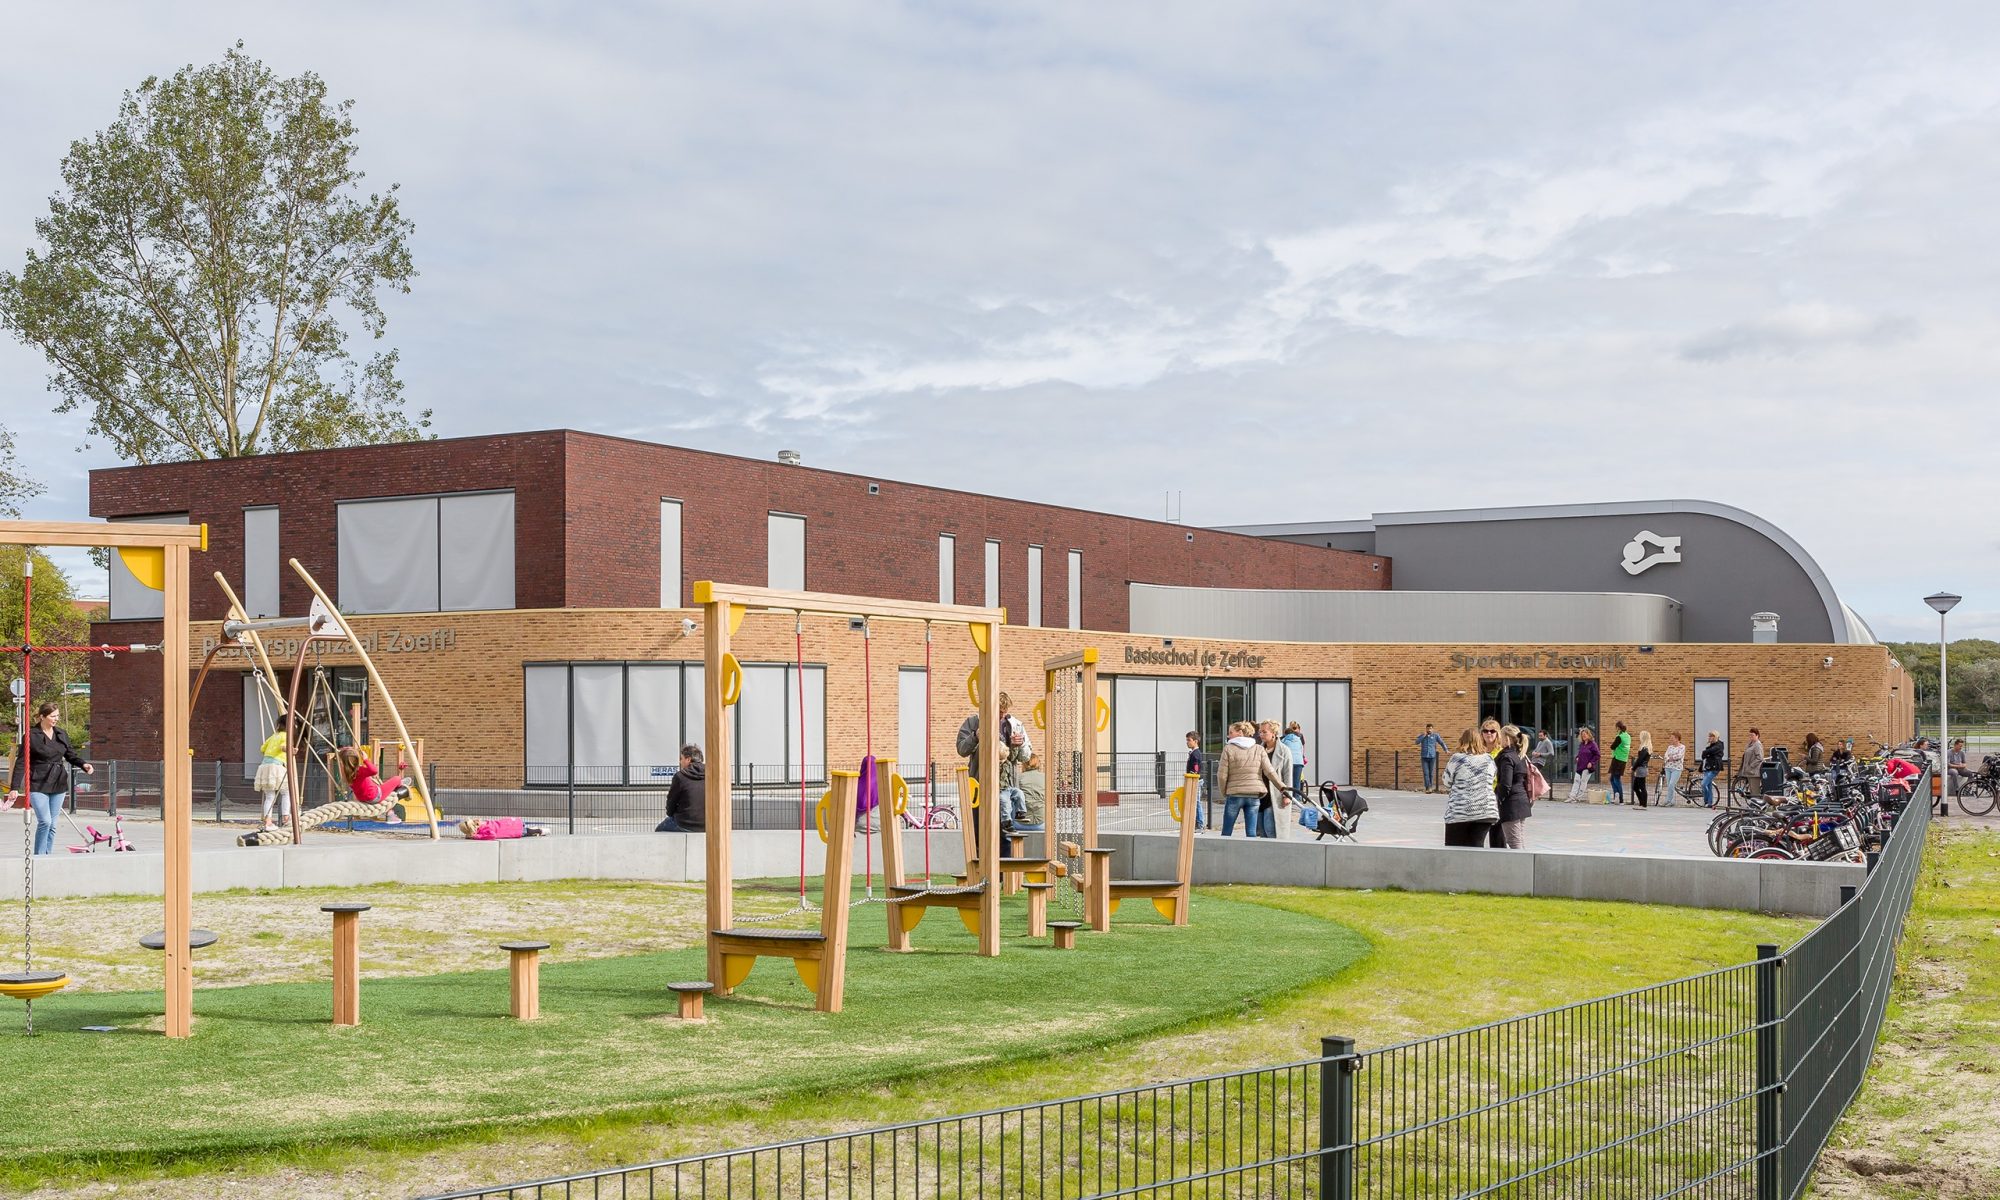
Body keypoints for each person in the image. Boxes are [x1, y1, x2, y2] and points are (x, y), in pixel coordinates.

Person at [6, 702, 93, 856]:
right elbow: (21, 762)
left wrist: (83, 764)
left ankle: (48, 856)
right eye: (53, 716)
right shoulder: (31, 736)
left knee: (52, 824)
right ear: (42, 717)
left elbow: (70, 755)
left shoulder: (61, 734)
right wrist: (14, 788)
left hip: (58, 782)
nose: (56, 719)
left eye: (57, 716)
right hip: (38, 782)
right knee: (45, 821)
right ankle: (39, 857)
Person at [1217, 720, 1284, 838]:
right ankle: (1251, 849)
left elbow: (1222, 775)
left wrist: (1224, 792)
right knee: (1251, 832)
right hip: (1254, 794)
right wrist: (1282, 787)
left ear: (1240, 733)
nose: (1228, 735)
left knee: (1227, 831)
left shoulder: (1228, 749)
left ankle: (1224, 849)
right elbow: (1270, 771)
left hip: (1235, 794)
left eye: (1231, 732)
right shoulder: (1259, 749)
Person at [1442, 728, 1499, 847]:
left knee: (1453, 848)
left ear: (1462, 741)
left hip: (1460, 810)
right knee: (1477, 847)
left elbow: (1446, 782)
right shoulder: (1489, 759)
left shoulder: (1457, 759)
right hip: (1485, 810)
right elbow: (1493, 778)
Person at [335, 745, 409, 816]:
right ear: (356, 760)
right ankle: (400, 785)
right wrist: (366, 759)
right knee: (397, 778)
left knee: (376, 785)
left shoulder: (346, 773)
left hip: (362, 798)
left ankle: (394, 786)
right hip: (375, 797)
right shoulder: (360, 771)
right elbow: (374, 771)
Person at [1492, 725, 1532, 848]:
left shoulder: (1506, 757)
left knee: (1514, 842)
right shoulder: (1519, 755)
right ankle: (1525, 860)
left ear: (1507, 738)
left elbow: (1506, 783)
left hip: (1511, 804)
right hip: (1522, 800)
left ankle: (1522, 861)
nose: (1499, 739)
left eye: (1501, 736)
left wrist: (1499, 798)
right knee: (1519, 839)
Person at [654, 744, 706, 832]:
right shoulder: (710, 774)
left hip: (684, 823)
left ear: (688, 759)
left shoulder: (680, 776)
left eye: (681, 758)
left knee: (659, 830)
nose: (680, 762)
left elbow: (671, 802)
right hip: (707, 824)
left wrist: (671, 814)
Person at [1258, 720, 1294, 838]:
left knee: (1270, 829)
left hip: (1275, 795)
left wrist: (1287, 795)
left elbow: (1288, 774)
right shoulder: (1259, 750)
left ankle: (1275, 849)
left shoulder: (1284, 750)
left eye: (1264, 732)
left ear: (1273, 733)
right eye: (1260, 732)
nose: (1261, 734)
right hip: (1260, 795)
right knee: (1261, 830)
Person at [255, 723, 290, 832]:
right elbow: (283, 747)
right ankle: (286, 817)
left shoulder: (273, 736)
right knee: (286, 792)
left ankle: (268, 822)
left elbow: (262, 749)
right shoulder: (286, 735)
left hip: (264, 766)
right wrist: (291, 750)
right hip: (276, 766)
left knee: (269, 796)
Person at [1568, 727, 1599, 803]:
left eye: (1585, 734)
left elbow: (1597, 755)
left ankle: (1578, 797)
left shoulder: (1592, 744)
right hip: (1580, 765)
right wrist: (1577, 757)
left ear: (1588, 734)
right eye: (1582, 735)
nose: (1583, 736)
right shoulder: (1582, 744)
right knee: (1576, 780)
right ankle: (1572, 796)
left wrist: (1591, 762)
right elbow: (1580, 753)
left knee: (1583, 781)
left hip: (1587, 766)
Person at [1018, 752, 1047, 829]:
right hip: (1043, 823)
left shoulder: (1018, 778)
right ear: (1038, 763)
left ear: (1024, 764)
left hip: (1021, 823)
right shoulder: (1045, 777)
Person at [1184, 731, 1207, 829]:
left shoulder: (1196, 754)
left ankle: (1200, 824)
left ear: (1196, 741)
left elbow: (1195, 769)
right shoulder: (1193, 753)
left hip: (1195, 781)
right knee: (1195, 801)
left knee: (1196, 801)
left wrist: (1193, 775)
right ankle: (1197, 823)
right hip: (1195, 780)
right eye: (1187, 740)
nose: (1187, 742)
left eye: (1189, 740)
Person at [1415, 724, 1447, 793]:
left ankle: (1430, 787)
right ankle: (1428, 788)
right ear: (1426, 729)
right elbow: (1416, 742)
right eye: (1428, 728)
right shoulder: (1422, 735)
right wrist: (1423, 735)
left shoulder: (1436, 736)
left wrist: (1445, 750)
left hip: (1432, 757)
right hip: (1424, 757)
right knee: (1426, 773)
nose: (1429, 730)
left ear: (1432, 729)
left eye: (1430, 728)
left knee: (1431, 773)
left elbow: (1441, 742)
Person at [1699, 731, 1727, 806]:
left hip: (1714, 767)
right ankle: (1709, 803)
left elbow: (1709, 752)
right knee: (1708, 786)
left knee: (1703, 784)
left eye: (1712, 736)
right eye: (1709, 736)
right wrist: (1706, 753)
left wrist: (1706, 752)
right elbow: (1704, 756)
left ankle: (1706, 801)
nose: (1710, 737)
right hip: (1707, 767)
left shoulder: (1719, 744)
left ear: (1716, 737)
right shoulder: (1710, 745)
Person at [1606, 721, 1632, 804]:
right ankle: (1616, 796)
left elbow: (1612, 746)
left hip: (1617, 759)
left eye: (1616, 727)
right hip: (1623, 759)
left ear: (1618, 728)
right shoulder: (1628, 736)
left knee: (1616, 779)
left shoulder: (1619, 737)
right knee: (1612, 779)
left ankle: (1620, 799)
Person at [1281, 721, 1307, 797]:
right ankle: (1297, 798)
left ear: (1285, 734)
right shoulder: (1298, 739)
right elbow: (1301, 749)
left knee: (1288, 780)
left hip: (1289, 762)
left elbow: (1282, 752)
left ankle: (1289, 797)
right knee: (1297, 781)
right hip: (1299, 762)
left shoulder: (1284, 740)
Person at [1659, 732, 1686, 807]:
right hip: (1668, 767)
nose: (1671, 739)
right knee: (1669, 785)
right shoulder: (1670, 747)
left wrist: (1671, 757)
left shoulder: (1682, 747)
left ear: (1677, 739)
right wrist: (1669, 758)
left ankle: (1667, 800)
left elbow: (1679, 756)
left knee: (1672, 783)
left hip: (1677, 768)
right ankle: (1672, 801)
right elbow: (1666, 755)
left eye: (1672, 738)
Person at [1737, 728, 1765, 800]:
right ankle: (1753, 804)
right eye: (1750, 735)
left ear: (1757, 735)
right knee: (1752, 791)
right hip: (1749, 771)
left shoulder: (1757, 745)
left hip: (1754, 772)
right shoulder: (1750, 744)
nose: (1751, 737)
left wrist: (1751, 766)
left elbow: (1760, 758)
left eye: (1752, 735)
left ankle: (1756, 805)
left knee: (1755, 791)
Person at [1631, 731, 1653, 808]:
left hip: (1641, 769)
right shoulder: (1645, 748)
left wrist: (1633, 768)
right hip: (1641, 768)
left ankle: (1643, 804)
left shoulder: (1644, 748)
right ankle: (1642, 803)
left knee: (1642, 787)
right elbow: (1639, 759)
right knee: (1636, 787)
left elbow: (1640, 760)